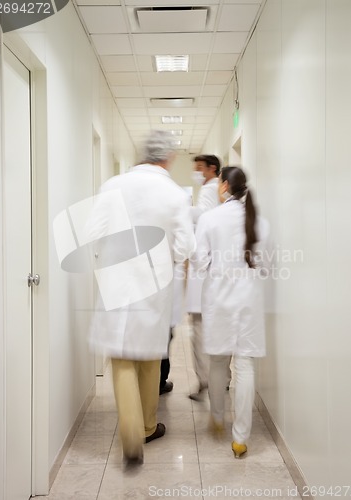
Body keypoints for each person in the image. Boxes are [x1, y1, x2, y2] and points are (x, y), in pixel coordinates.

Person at [87, 130, 195, 466]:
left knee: (121, 359)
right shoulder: (174, 194)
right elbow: (185, 247)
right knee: (149, 359)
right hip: (155, 285)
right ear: (169, 158)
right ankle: (148, 427)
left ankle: (132, 437)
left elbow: (92, 234)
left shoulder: (113, 185)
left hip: (118, 284)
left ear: (141, 154)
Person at [194, 166, 270, 458]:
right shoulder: (261, 222)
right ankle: (240, 439)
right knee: (245, 365)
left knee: (217, 362)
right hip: (249, 301)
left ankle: (216, 418)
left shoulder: (209, 219)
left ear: (224, 186)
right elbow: (266, 265)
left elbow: (201, 263)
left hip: (219, 301)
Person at [186, 155, 221, 400]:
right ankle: (217, 379)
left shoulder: (210, 191)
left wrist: (184, 210)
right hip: (212, 270)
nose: (196, 173)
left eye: (200, 168)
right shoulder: (215, 191)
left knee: (199, 328)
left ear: (212, 169)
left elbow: (204, 220)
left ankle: (206, 380)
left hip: (205, 269)